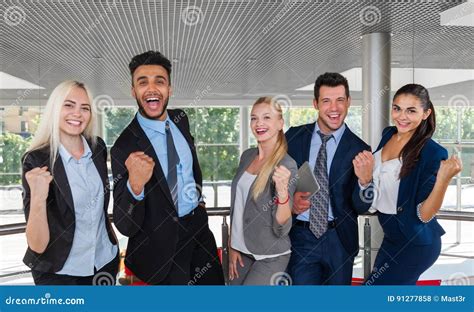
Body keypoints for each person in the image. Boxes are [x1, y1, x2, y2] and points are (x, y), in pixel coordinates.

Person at [111, 50, 224, 285]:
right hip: (162, 252)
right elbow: (125, 224)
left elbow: (190, 167)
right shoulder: (124, 146)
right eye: (143, 82)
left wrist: (198, 201)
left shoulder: (181, 118)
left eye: (159, 81)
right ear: (134, 91)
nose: (152, 89)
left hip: (200, 233)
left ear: (169, 89)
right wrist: (135, 184)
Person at [21, 80, 119, 285]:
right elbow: (37, 246)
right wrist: (38, 197)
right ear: (55, 109)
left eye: (85, 108)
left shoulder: (97, 148)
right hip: (59, 273)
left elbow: (98, 208)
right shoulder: (37, 160)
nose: (77, 113)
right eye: (68, 105)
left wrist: (112, 243)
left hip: (104, 264)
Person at [364, 84, 462, 285]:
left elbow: (424, 214)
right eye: (397, 108)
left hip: (416, 242)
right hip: (390, 236)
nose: (402, 116)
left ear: (426, 113)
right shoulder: (388, 133)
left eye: (411, 111)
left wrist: (443, 179)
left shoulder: (433, 153)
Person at [285, 72, 374, 285]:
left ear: (349, 102)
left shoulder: (360, 149)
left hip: (340, 241)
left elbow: (361, 207)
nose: (334, 108)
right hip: (302, 237)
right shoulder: (294, 137)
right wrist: (290, 201)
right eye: (326, 101)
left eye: (340, 100)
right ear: (316, 103)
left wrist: (365, 182)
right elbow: (273, 179)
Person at [228, 97, 298, 285]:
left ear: (280, 123)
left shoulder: (287, 164)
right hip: (241, 250)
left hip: (271, 254)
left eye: (267, 117)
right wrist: (233, 245)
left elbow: (282, 227)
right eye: (254, 118)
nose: (259, 123)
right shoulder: (247, 156)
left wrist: (283, 193)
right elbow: (238, 206)